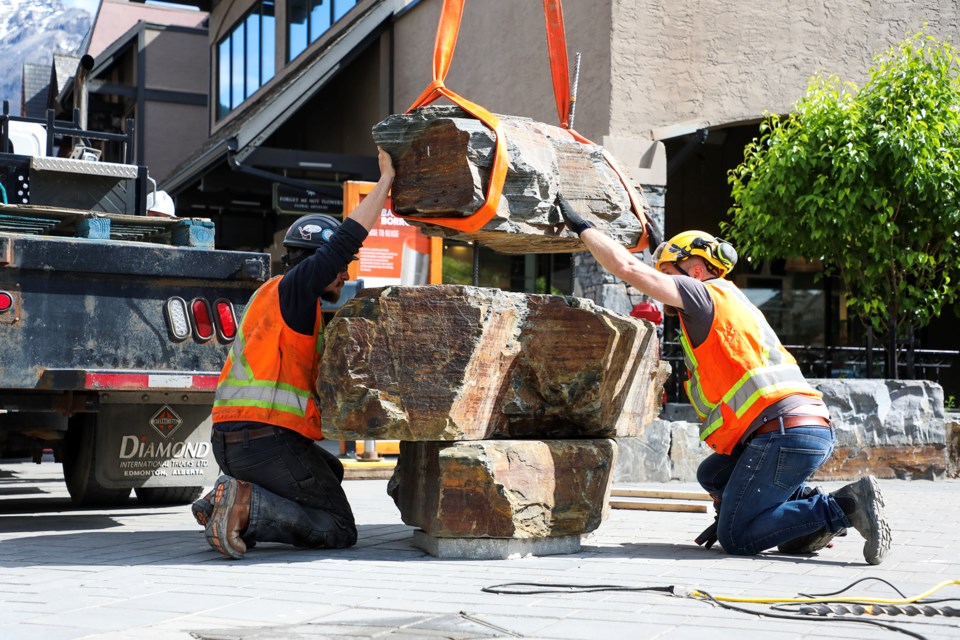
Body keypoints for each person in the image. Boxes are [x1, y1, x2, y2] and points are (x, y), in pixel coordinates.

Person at [555, 196, 891, 565]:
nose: (662, 283)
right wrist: (661, 244)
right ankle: (803, 514)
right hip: (799, 429)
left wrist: (583, 227)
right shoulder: (725, 297)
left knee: (738, 537)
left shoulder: (701, 296)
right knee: (713, 473)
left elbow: (627, 268)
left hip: (783, 433)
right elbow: (675, 276)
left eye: (669, 273)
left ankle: (842, 507)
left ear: (696, 271)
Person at [191, 147, 395, 559]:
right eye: (342, 265)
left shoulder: (269, 299)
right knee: (339, 528)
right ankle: (247, 506)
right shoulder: (297, 289)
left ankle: (222, 501)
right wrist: (386, 182)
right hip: (265, 442)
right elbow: (344, 243)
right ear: (317, 263)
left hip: (230, 443)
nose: (346, 272)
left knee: (331, 471)